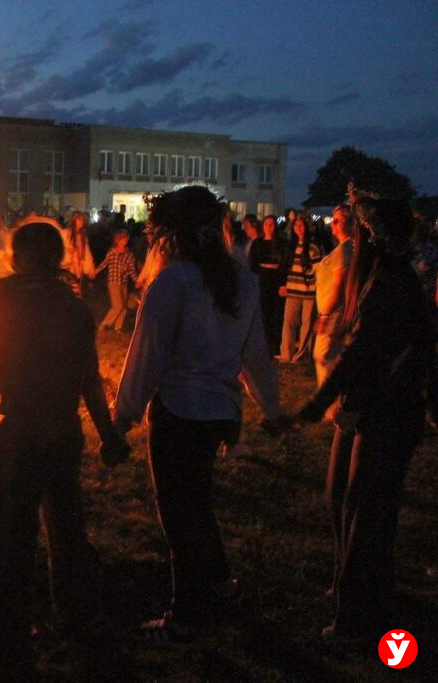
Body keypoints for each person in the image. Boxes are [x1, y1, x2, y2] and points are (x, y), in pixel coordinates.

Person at [0, 223, 130, 679]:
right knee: (66, 524)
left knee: (13, 527)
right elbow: (90, 381)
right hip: (63, 430)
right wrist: (108, 435)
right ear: (57, 262)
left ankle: (9, 621)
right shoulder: (75, 311)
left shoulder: (4, 311)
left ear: (16, 260)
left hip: (23, 432)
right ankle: (75, 614)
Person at [112, 186, 280, 647]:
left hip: (178, 414)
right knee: (198, 503)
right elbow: (256, 355)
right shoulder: (242, 281)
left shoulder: (173, 283)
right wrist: (272, 407)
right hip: (219, 414)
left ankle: (185, 618)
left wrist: (121, 417)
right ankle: (221, 584)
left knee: (180, 517)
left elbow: (146, 359)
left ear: (171, 234)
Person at [295, 198, 434, 641]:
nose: (351, 238)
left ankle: (359, 614)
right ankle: (350, 586)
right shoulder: (378, 276)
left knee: (366, 509)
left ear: (372, 237)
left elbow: (363, 353)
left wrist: (321, 403)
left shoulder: (390, 282)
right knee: (340, 495)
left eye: (357, 231)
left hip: (390, 411)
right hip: (374, 405)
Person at [312, 205, 354, 385]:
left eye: (338, 220)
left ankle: (330, 404)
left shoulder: (346, 250)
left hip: (334, 311)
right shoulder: (342, 249)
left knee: (324, 355)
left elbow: (339, 284)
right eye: (333, 220)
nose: (333, 223)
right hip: (331, 310)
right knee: (329, 355)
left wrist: (325, 315)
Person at [278, 213, 321, 363]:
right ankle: (286, 355)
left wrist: (313, 282)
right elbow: (285, 268)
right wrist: (283, 285)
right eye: (296, 225)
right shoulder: (291, 247)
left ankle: (302, 355)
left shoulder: (313, 247)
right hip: (292, 290)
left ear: (307, 227)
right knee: (289, 322)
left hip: (308, 291)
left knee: (307, 324)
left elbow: (317, 270)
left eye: (301, 224)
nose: (299, 227)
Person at [248, 215, 284, 354]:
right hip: (263, 279)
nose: (269, 227)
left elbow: (284, 262)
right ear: (263, 226)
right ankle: (265, 343)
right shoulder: (258, 243)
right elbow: (252, 262)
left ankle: (275, 345)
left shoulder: (280, 244)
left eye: (271, 224)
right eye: (266, 224)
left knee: (276, 313)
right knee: (264, 312)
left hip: (276, 279)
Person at [94, 229, 138, 332]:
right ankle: (104, 325)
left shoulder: (129, 254)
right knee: (118, 305)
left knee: (123, 306)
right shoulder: (112, 253)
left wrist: (136, 280)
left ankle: (118, 327)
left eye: (126, 238)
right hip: (113, 281)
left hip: (123, 282)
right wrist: (96, 271)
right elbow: (104, 264)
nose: (125, 240)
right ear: (117, 240)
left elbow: (131, 270)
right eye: (122, 238)